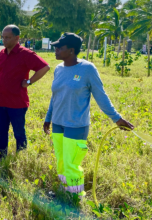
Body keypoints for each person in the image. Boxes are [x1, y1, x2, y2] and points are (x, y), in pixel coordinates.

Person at [43, 33, 134, 197]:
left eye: (60, 47)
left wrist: (117, 119)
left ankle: (76, 198)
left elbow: (101, 96)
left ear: (71, 50)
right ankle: (65, 191)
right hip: (58, 123)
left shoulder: (87, 69)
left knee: (72, 163)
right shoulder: (58, 69)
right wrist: (48, 118)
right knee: (61, 161)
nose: (55, 49)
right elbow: (55, 96)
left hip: (76, 125)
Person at [0, 25, 50, 159]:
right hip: (0, 101)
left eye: (8, 37)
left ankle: (21, 159)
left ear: (17, 38)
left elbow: (45, 67)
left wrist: (29, 81)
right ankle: (1, 157)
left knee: (19, 132)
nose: (4, 40)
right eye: (3, 37)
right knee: (1, 132)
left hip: (17, 102)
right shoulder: (2, 53)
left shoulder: (26, 54)